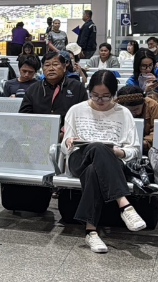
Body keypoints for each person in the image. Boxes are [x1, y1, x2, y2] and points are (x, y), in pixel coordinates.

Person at [62, 70, 146, 254]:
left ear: (114, 94)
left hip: (111, 162)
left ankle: (91, 232)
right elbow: (64, 146)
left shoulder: (124, 113)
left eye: (106, 96)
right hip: (79, 159)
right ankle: (124, 205)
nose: (100, 100)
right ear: (89, 92)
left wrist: (119, 151)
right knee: (98, 148)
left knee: (94, 170)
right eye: (95, 95)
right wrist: (68, 142)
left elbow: (135, 150)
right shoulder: (76, 110)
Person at [20, 51, 88, 131]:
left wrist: (66, 130)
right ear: (43, 69)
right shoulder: (33, 89)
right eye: (47, 65)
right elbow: (23, 117)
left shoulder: (77, 87)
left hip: (69, 134)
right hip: (38, 134)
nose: (51, 69)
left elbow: (84, 115)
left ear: (64, 68)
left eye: (55, 64)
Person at [115, 85, 158, 153]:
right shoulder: (114, 107)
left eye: (136, 109)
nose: (132, 113)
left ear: (143, 103)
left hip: (146, 148)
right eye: (128, 110)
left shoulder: (152, 105)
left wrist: (145, 141)